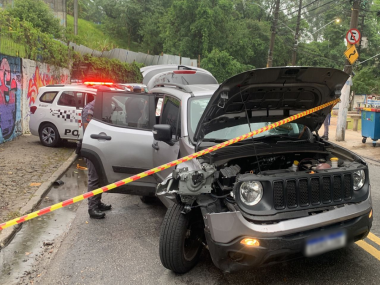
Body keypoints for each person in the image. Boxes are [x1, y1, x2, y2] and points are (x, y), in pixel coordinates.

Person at [82, 99, 112, 219]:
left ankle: (97, 203)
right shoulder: (90, 110)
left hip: (100, 147)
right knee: (94, 179)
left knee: (98, 178)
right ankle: (92, 208)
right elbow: (88, 129)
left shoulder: (102, 107)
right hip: (92, 147)